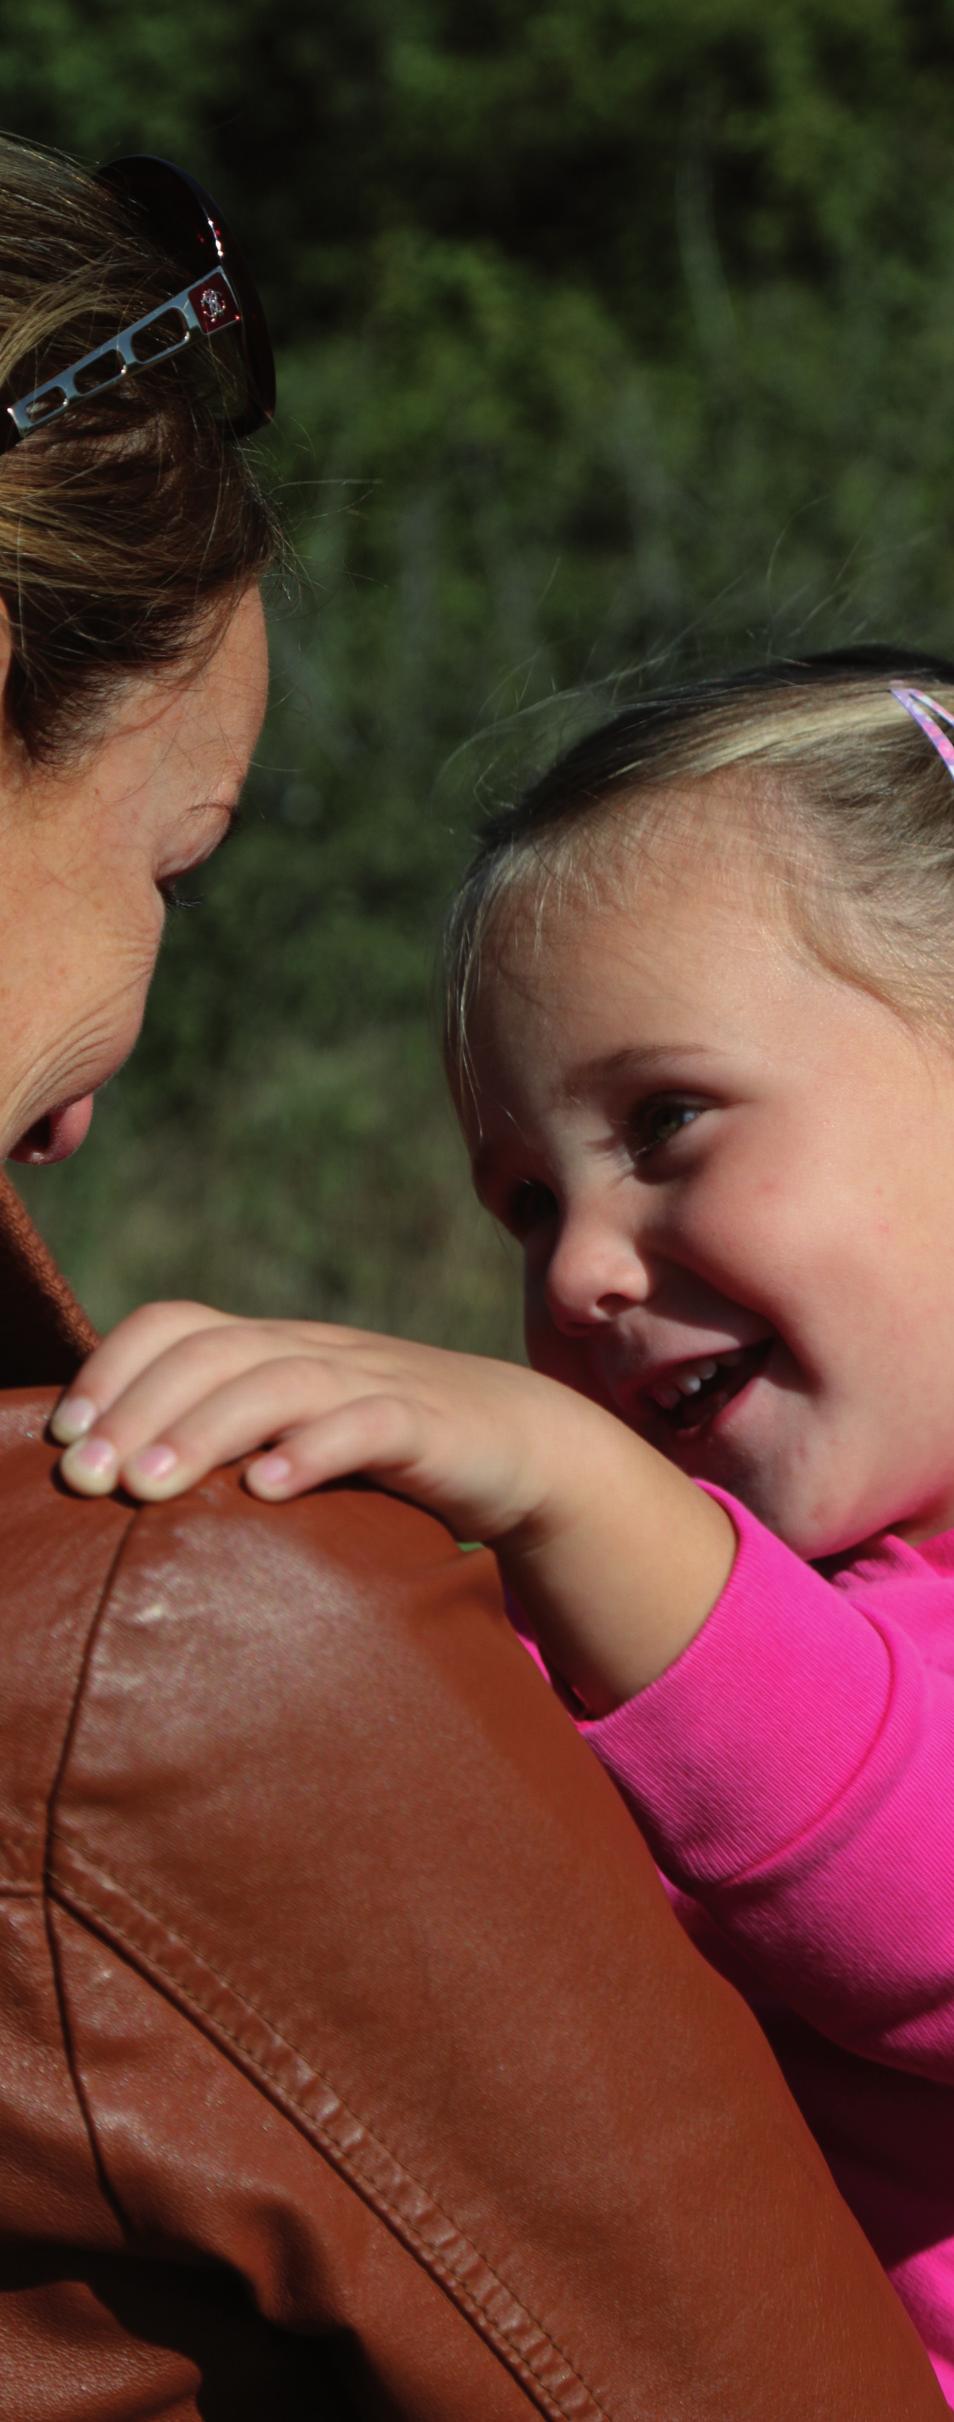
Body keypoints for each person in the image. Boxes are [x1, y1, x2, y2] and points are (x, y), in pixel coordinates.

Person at [0, 127, 942, 2414]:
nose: (589, 1265)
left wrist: (558, 1489)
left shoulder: (674, 1578)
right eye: (524, 1200)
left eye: (672, 1126)